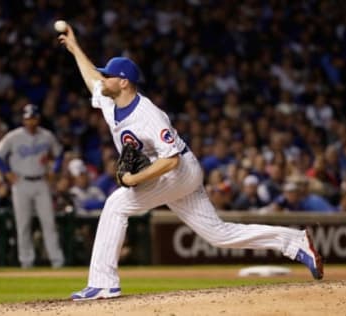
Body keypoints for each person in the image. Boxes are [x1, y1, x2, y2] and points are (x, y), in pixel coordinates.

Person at [58, 24, 323, 301]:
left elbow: (170, 160)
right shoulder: (112, 102)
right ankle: (295, 242)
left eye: (108, 76)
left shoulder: (148, 116)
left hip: (179, 170)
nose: (103, 79)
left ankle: (104, 282)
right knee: (218, 234)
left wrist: (134, 181)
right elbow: (91, 79)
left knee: (116, 205)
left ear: (124, 82)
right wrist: (75, 48)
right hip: (173, 176)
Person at [0, 104, 65, 268]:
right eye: (27, 119)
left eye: (33, 118)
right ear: (23, 120)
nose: (30, 122)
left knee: (49, 222)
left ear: (38, 119)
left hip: (41, 182)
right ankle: (26, 261)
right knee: (23, 224)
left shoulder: (47, 136)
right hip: (21, 183)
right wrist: (6, 172)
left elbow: (59, 153)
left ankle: (57, 260)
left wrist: (54, 169)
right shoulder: (14, 136)